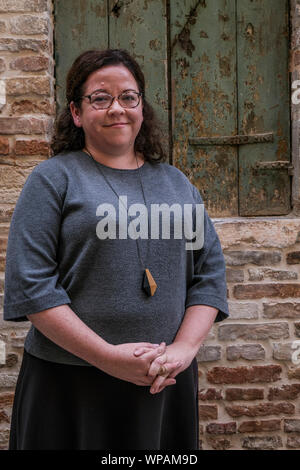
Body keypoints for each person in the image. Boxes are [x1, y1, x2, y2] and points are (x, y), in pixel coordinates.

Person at [3, 49, 229, 450]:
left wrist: (183, 349)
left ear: (141, 106)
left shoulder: (177, 184)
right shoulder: (52, 180)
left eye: (128, 96)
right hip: (70, 382)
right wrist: (108, 357)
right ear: (76, 112)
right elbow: (32, 287)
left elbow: (208, 276)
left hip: (163, 382)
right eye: (100, 98)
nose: (117, 108)